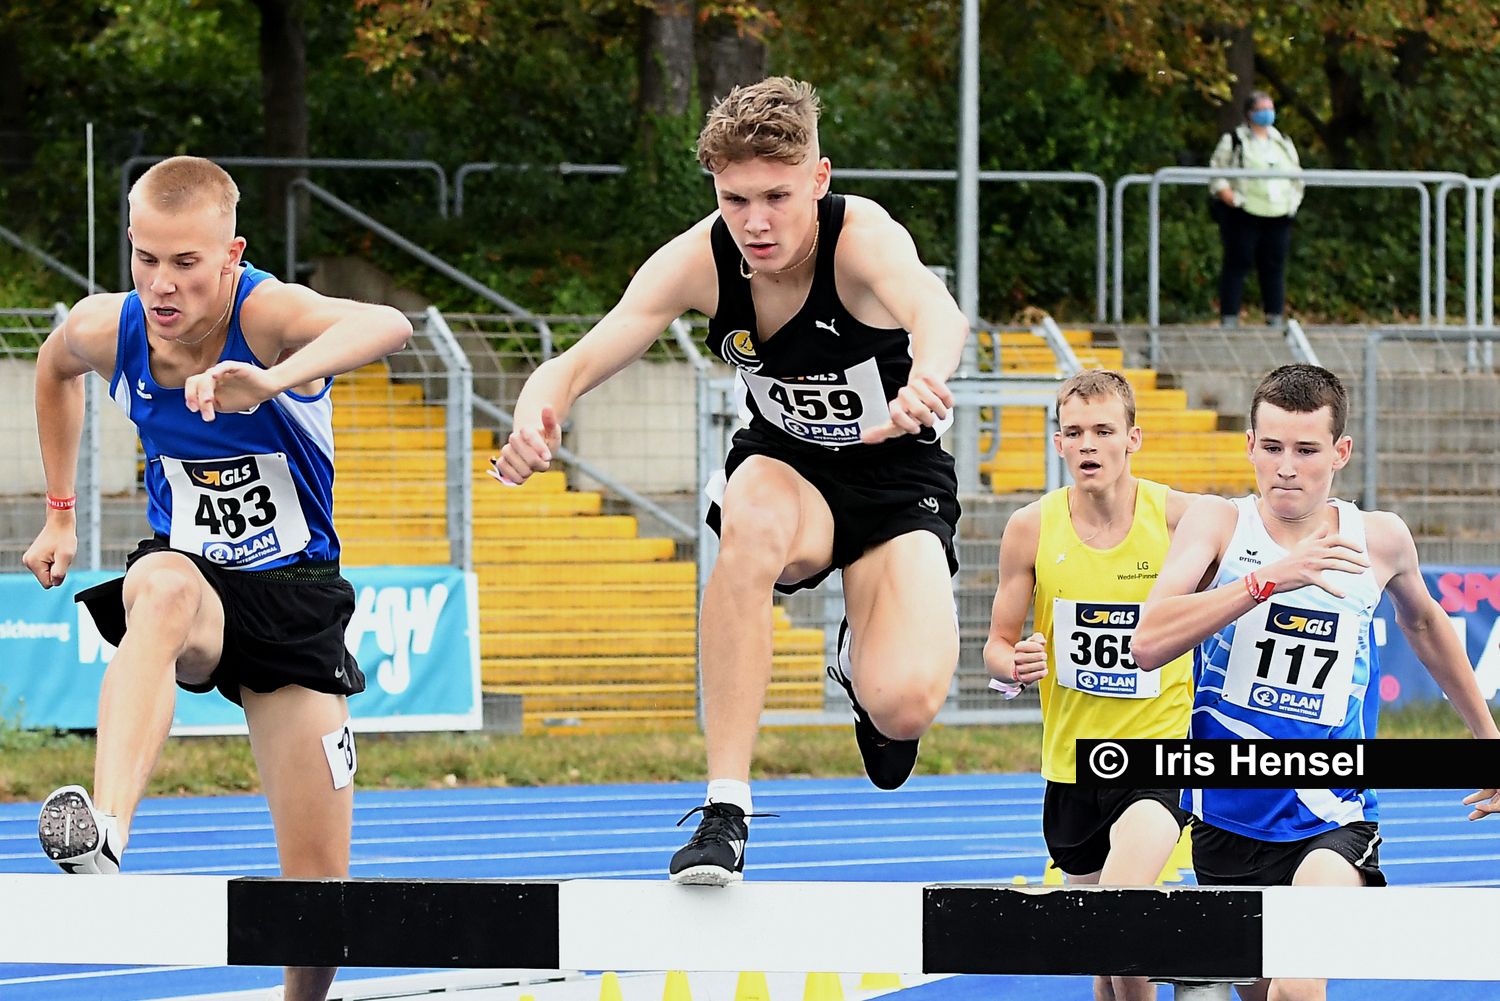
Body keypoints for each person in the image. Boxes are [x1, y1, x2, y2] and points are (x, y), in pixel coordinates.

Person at [490, 77, 967, 885]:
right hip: (788, 466)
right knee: (749, 525)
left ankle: (858, 661)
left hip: (896, 475)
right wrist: (535, 417)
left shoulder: (860, 238)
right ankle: (725, 808)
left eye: (777, 197)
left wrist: (927, 376)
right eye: (735, 199)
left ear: (818, 179)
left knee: (905, 705)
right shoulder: (702, 259)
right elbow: (581, 356)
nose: (756, 223)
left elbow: (937, 310)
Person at [23, 155, 411, 1001]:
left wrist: (270, 380)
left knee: (320, 902)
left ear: (231, 256)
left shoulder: (266, 316)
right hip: (194, 585)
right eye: (145, 258)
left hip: (294, 599)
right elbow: (53, 369)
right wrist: (60, 512)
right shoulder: (111, 327)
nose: (161, 284)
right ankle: (105, 829)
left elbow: (387, 324)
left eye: (186, 263)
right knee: (160, 586)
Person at [1132, 364, 1500, 1001]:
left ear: (1340, 452)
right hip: (1228, 818)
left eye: (1306, 450)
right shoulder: (1218, 525)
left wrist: (1487, 740)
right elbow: (1147, 643)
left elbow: (1425, 625)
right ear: (1250, 445)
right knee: (1263, 991)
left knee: (1297, 986)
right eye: (1272, 448)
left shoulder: (1378, 539)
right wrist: (1267, 581)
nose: (1286, 468)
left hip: (1333, 816)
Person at [985, 370, 1196, 1001]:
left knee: (1120, 916)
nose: (1088, 445)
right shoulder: (1030, 527)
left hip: (1158, 757)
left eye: (1103, 431)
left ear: (1133, 438)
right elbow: (996, 646)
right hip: (1072, 766)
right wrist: (1014, 664)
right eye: (1074, 433)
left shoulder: (1179, 519)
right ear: (1058, 443)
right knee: (1102, 957)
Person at [1209, 90, 1303, 328]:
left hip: (1278, 213)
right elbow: (1216, 171)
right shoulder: (1235, 139)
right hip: (1244, 212)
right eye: (1261, 109)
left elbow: (1297, 176)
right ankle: (1230, 318)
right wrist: (1228, 196)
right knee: (1237, 263)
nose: (1267, 114)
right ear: (1249, 113)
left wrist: (1292, 203)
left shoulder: (1283, 141)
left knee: (1274, 266)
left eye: (1270, 109)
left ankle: (1275, 317)